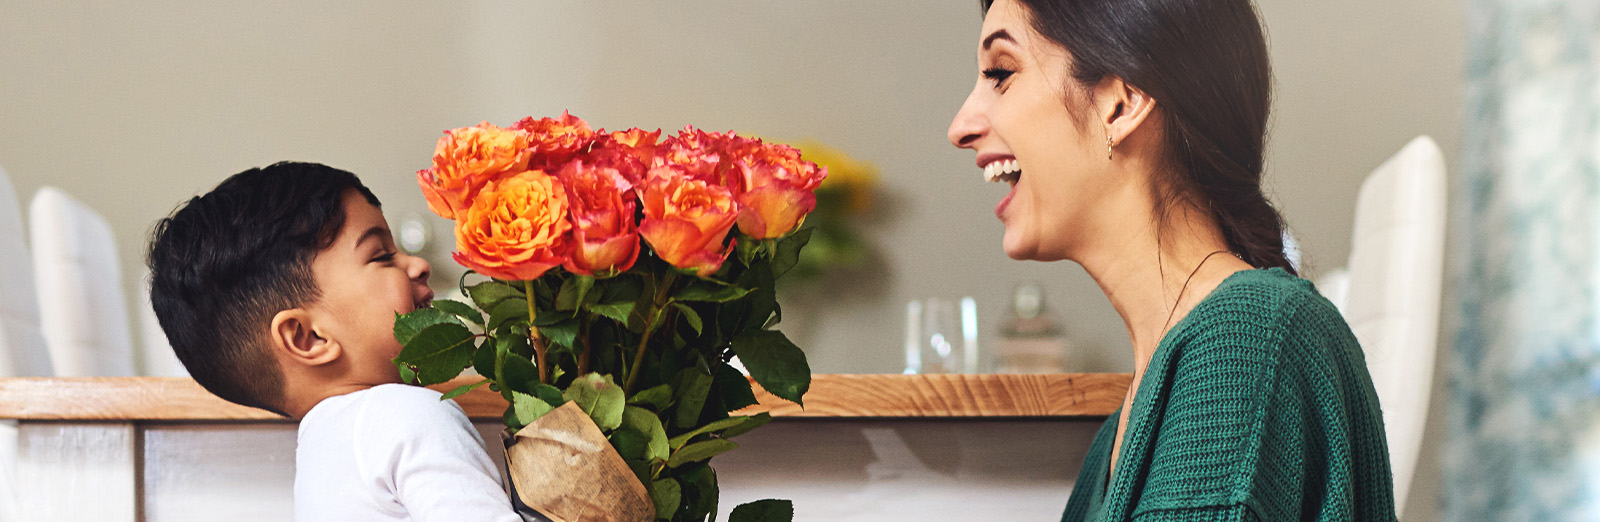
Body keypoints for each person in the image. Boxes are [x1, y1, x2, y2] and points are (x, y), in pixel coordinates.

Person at [947, 0, 1396, 521]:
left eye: (1001, 74)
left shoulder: (1243, 341)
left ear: (1121, 103)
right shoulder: (1124, 430)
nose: (960, 127)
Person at [146, 162, 521, 522]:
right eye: (382, 256)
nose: (419, 265)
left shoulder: (322, 453)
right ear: (308, 338)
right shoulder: (408, 417)